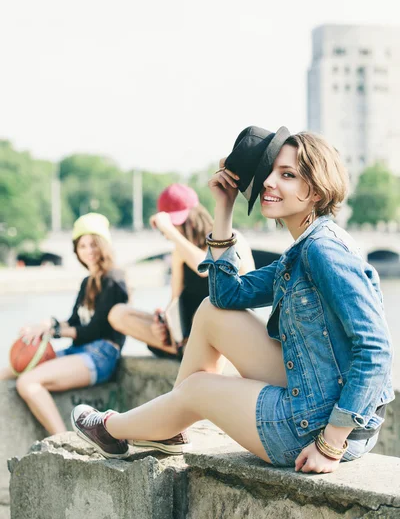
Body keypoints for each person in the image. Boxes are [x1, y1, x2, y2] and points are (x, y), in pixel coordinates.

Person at [71, 128, 394, 473]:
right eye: (271, 172)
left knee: (197, 389)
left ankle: (112, 430)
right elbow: (226, 295)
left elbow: (376, 350)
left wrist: (329, 444)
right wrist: (223, 208)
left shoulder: (322, 250)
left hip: (316, 430)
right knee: (211, 312)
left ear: (314, 190)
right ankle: (167, 429)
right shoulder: (304, 250)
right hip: (316, 394)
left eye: (287, 175)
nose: (270, 182)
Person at [0, 213, 128, 435]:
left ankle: (63, 440)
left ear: (103, 245)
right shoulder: (87, 282)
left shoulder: (114, 279)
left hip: (102, 354)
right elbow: (74, 321)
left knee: (28, 383)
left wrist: (54, 331)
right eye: (82, 245)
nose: (88, 250)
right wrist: (46, 324)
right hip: (79, 350)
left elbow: (94, 330)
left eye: (93, 244)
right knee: (11, 370)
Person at [108, 183, 255, 359]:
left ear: (193, 219)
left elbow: (207, 268)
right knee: (118, 313)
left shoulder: (232, 238)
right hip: (189, 335)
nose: (172, 233)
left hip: (230, 332)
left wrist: (171, 232)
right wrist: (163, 323)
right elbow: (174, 302)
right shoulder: (179, 251)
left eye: (177, 225)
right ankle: (185, 348)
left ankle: (194, 352)